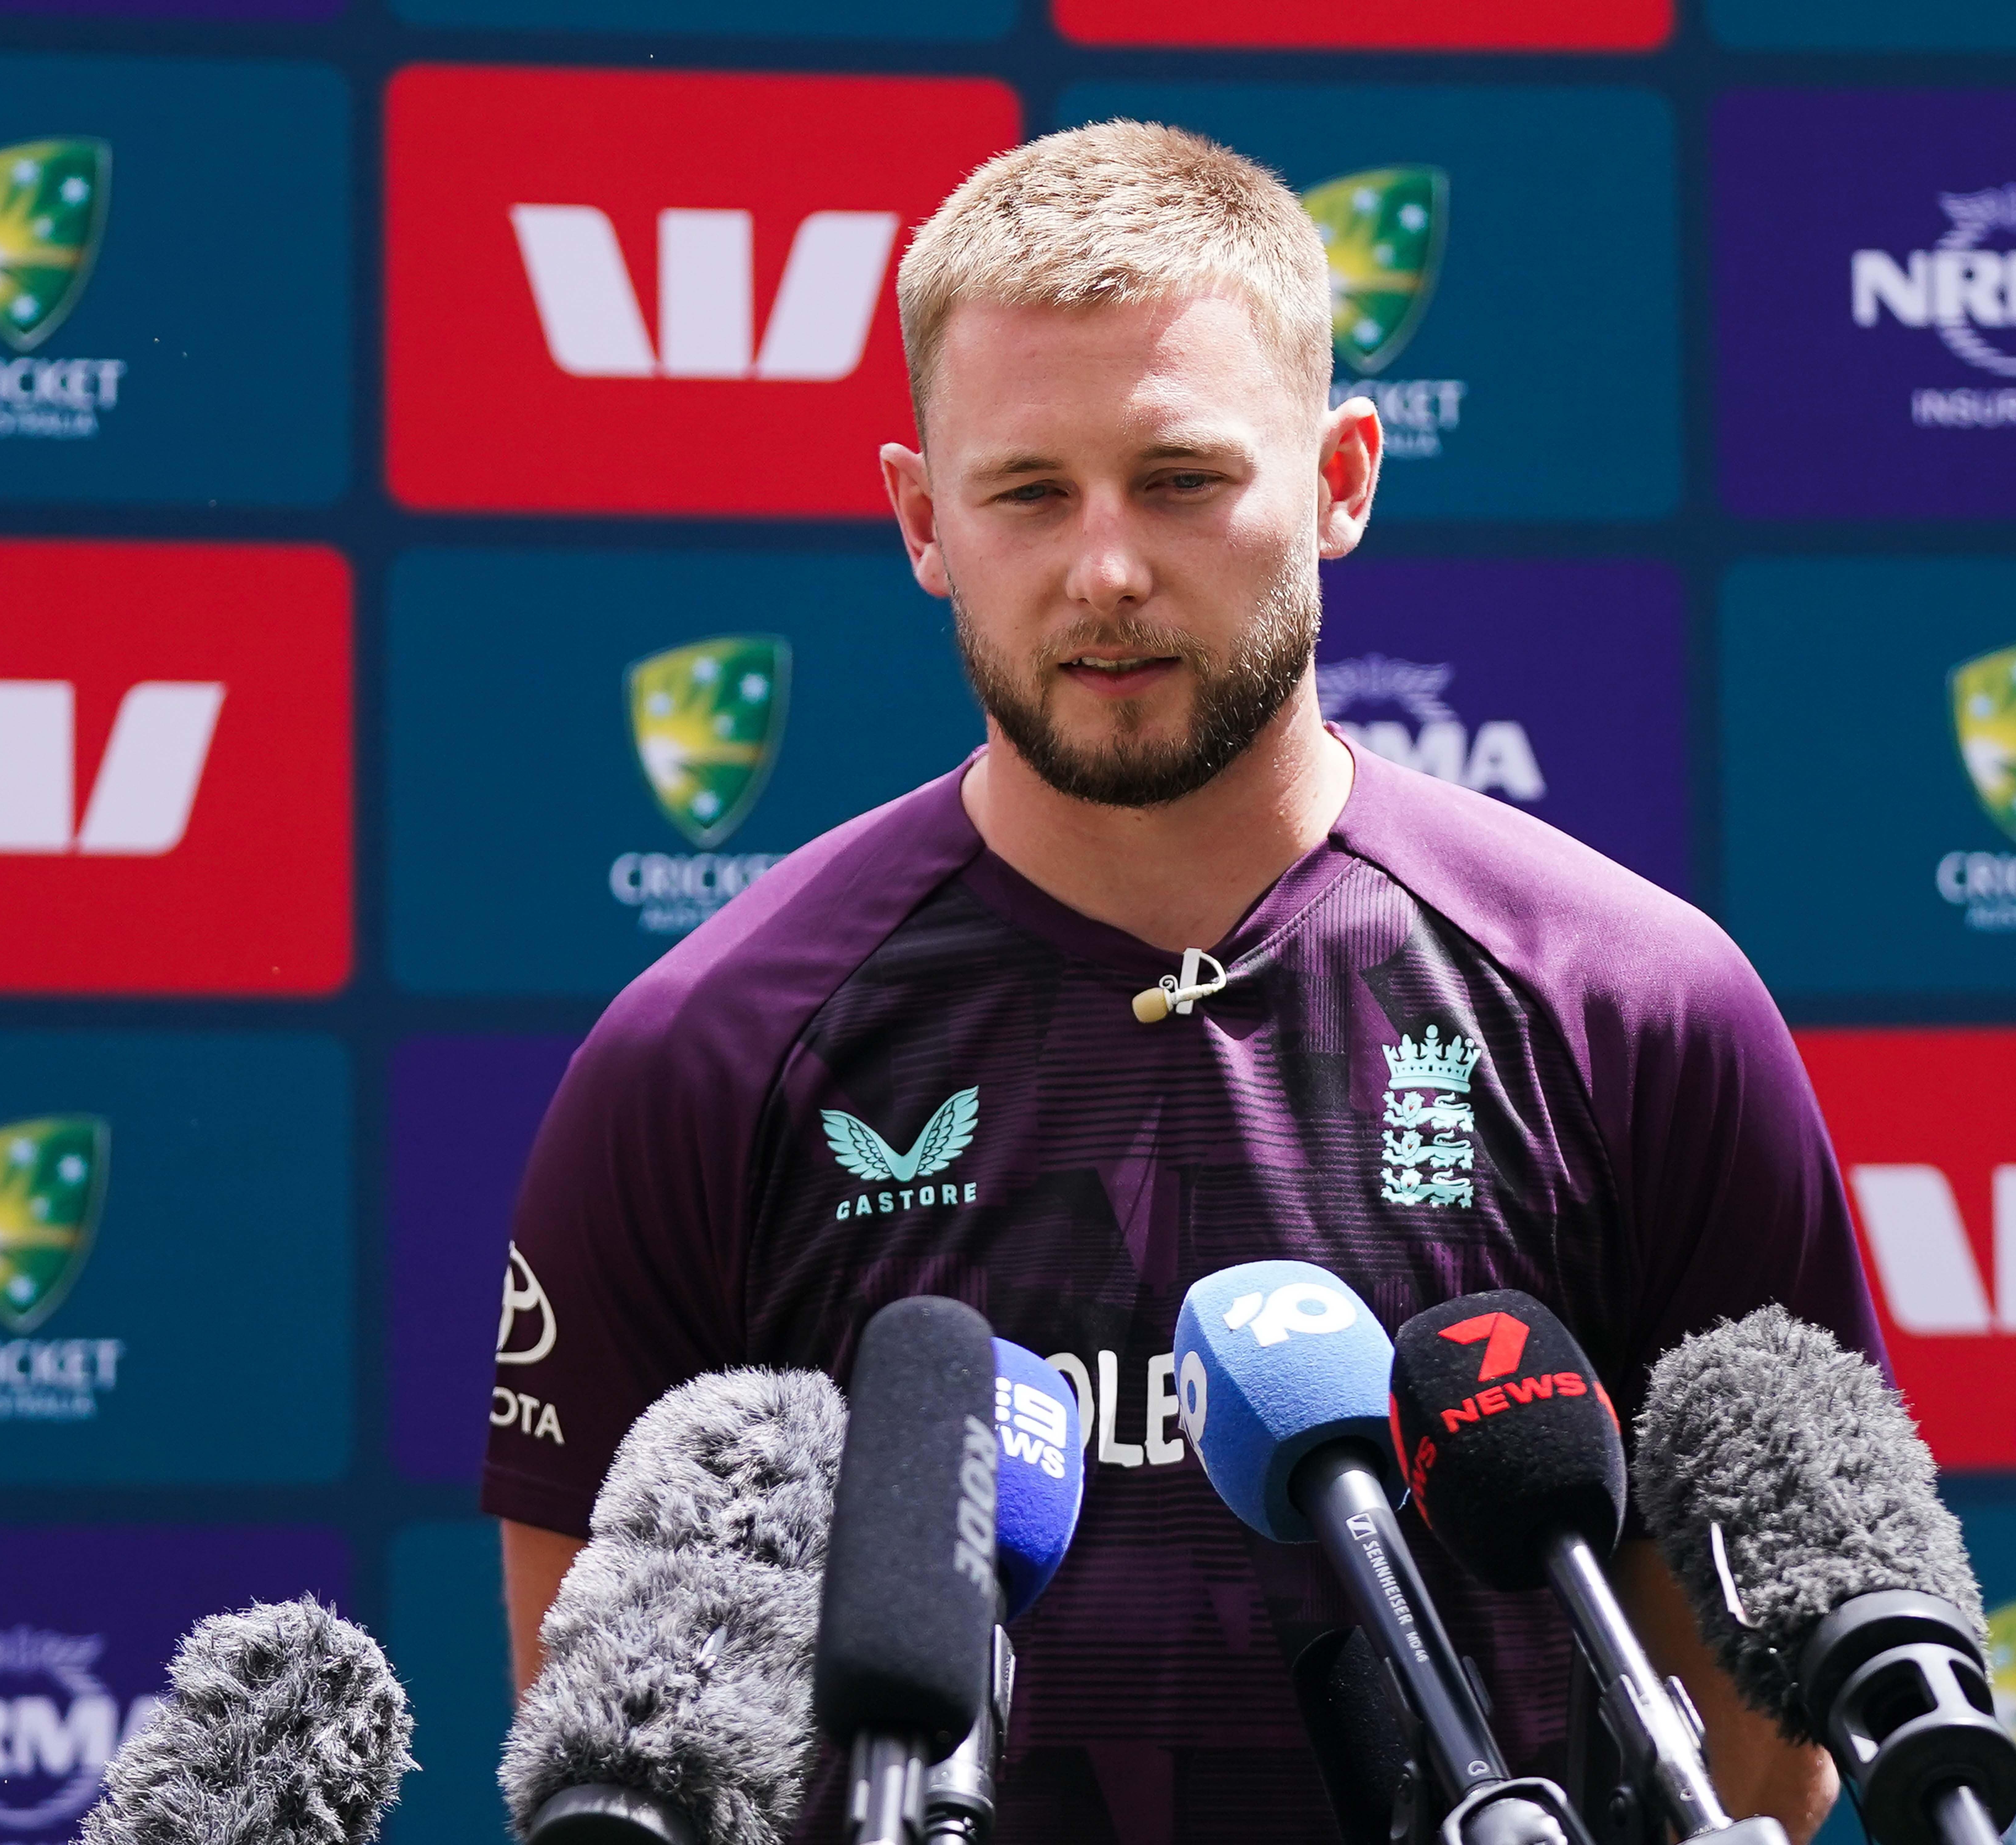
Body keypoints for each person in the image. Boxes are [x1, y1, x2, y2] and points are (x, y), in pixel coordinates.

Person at [484, 119, 1883, 1845]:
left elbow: (1758, 1743)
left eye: (1179, 480)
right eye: (1027, 493)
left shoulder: (1634, 1013)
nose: (1107, 571)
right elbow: (612, 1754)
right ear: (923, 520)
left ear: (1343, 478)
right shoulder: (706, 1059)